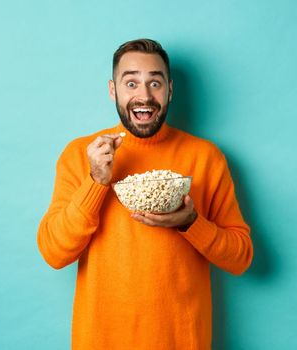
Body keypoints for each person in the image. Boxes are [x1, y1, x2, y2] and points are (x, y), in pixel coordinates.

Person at [37, 38, 253, 349]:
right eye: (131, 82)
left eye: (155, 82)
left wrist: (191, 223)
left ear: (170, 90)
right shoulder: (80, 155)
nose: (144, 95)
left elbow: (241, 258)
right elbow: (54, 253)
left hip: (182, 340)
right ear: (113, 90)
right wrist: (97, 182)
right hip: (101, 340)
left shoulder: (205, 157)